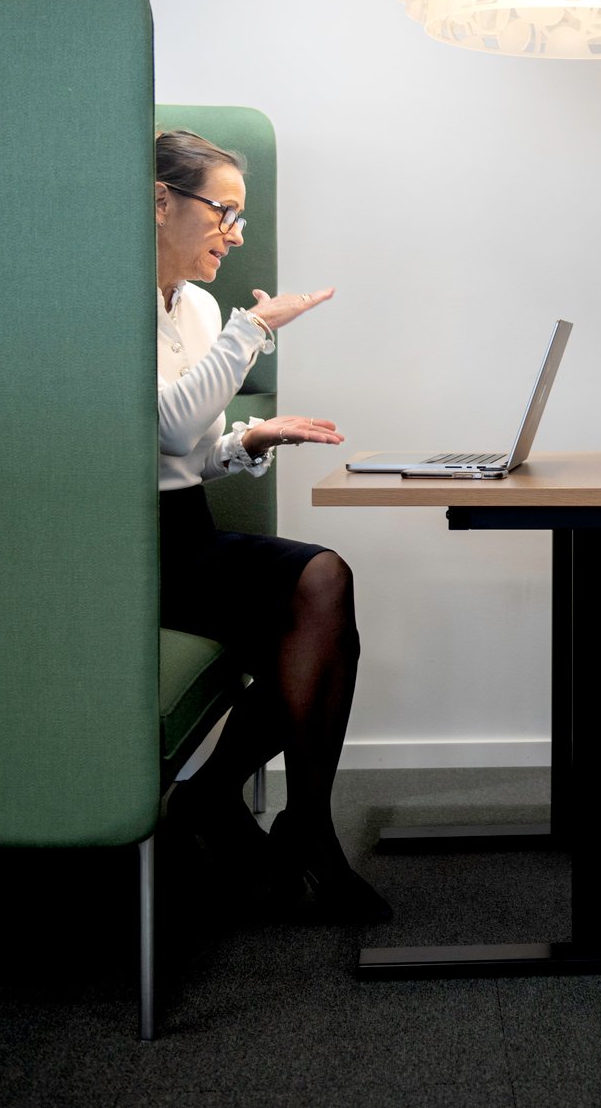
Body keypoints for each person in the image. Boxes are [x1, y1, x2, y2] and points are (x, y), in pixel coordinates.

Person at [153, 128, 390, 923]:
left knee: (324, 588)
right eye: (223, 212)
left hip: (186, 527)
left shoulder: (196, 307)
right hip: (127, 548)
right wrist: (254, 330)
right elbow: (169, 423)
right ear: (160, 201)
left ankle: (287, 817)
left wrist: (250, 440)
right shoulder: (108, 303)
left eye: (240, 217)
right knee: (316, 597)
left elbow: (187, 451)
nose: (234, 233)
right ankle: (263, 816)